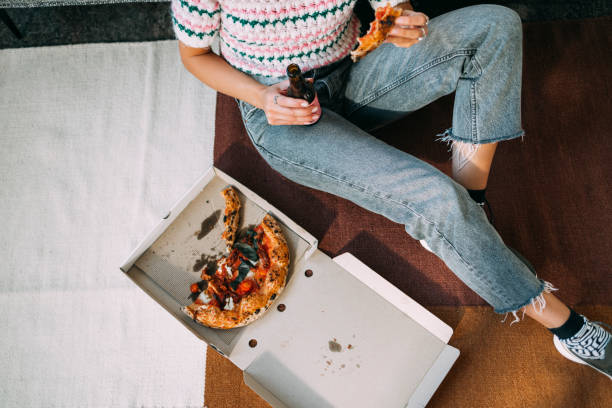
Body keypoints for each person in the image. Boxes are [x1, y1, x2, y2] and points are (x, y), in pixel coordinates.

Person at [170, 0, 611, 379]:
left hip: (355, 71)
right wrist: (262, 97)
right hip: (277, 112)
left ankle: (471, 203)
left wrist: (400, 21)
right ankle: (569, 331)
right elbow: (195, 55)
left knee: (495, 25)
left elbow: (391, 9)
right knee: (434, 199)